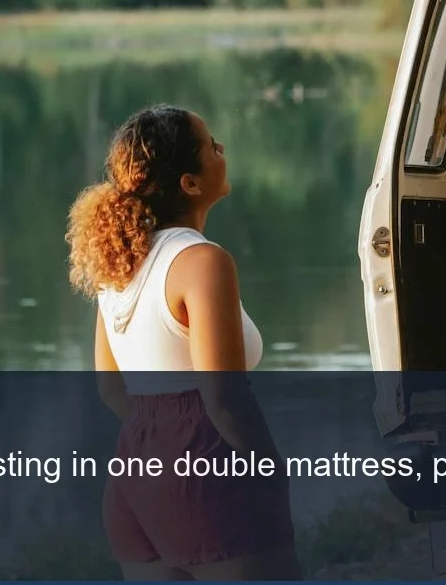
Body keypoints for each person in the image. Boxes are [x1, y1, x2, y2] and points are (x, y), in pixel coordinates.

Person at [67, 105, 301, 581]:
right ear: (190, 183)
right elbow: (225, 397)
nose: (222, 151)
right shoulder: (202, 261)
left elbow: (112, 390)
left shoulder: (119, 262)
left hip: (135, 472)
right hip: (206, 466)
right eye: (211, 145)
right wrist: (270, 467)